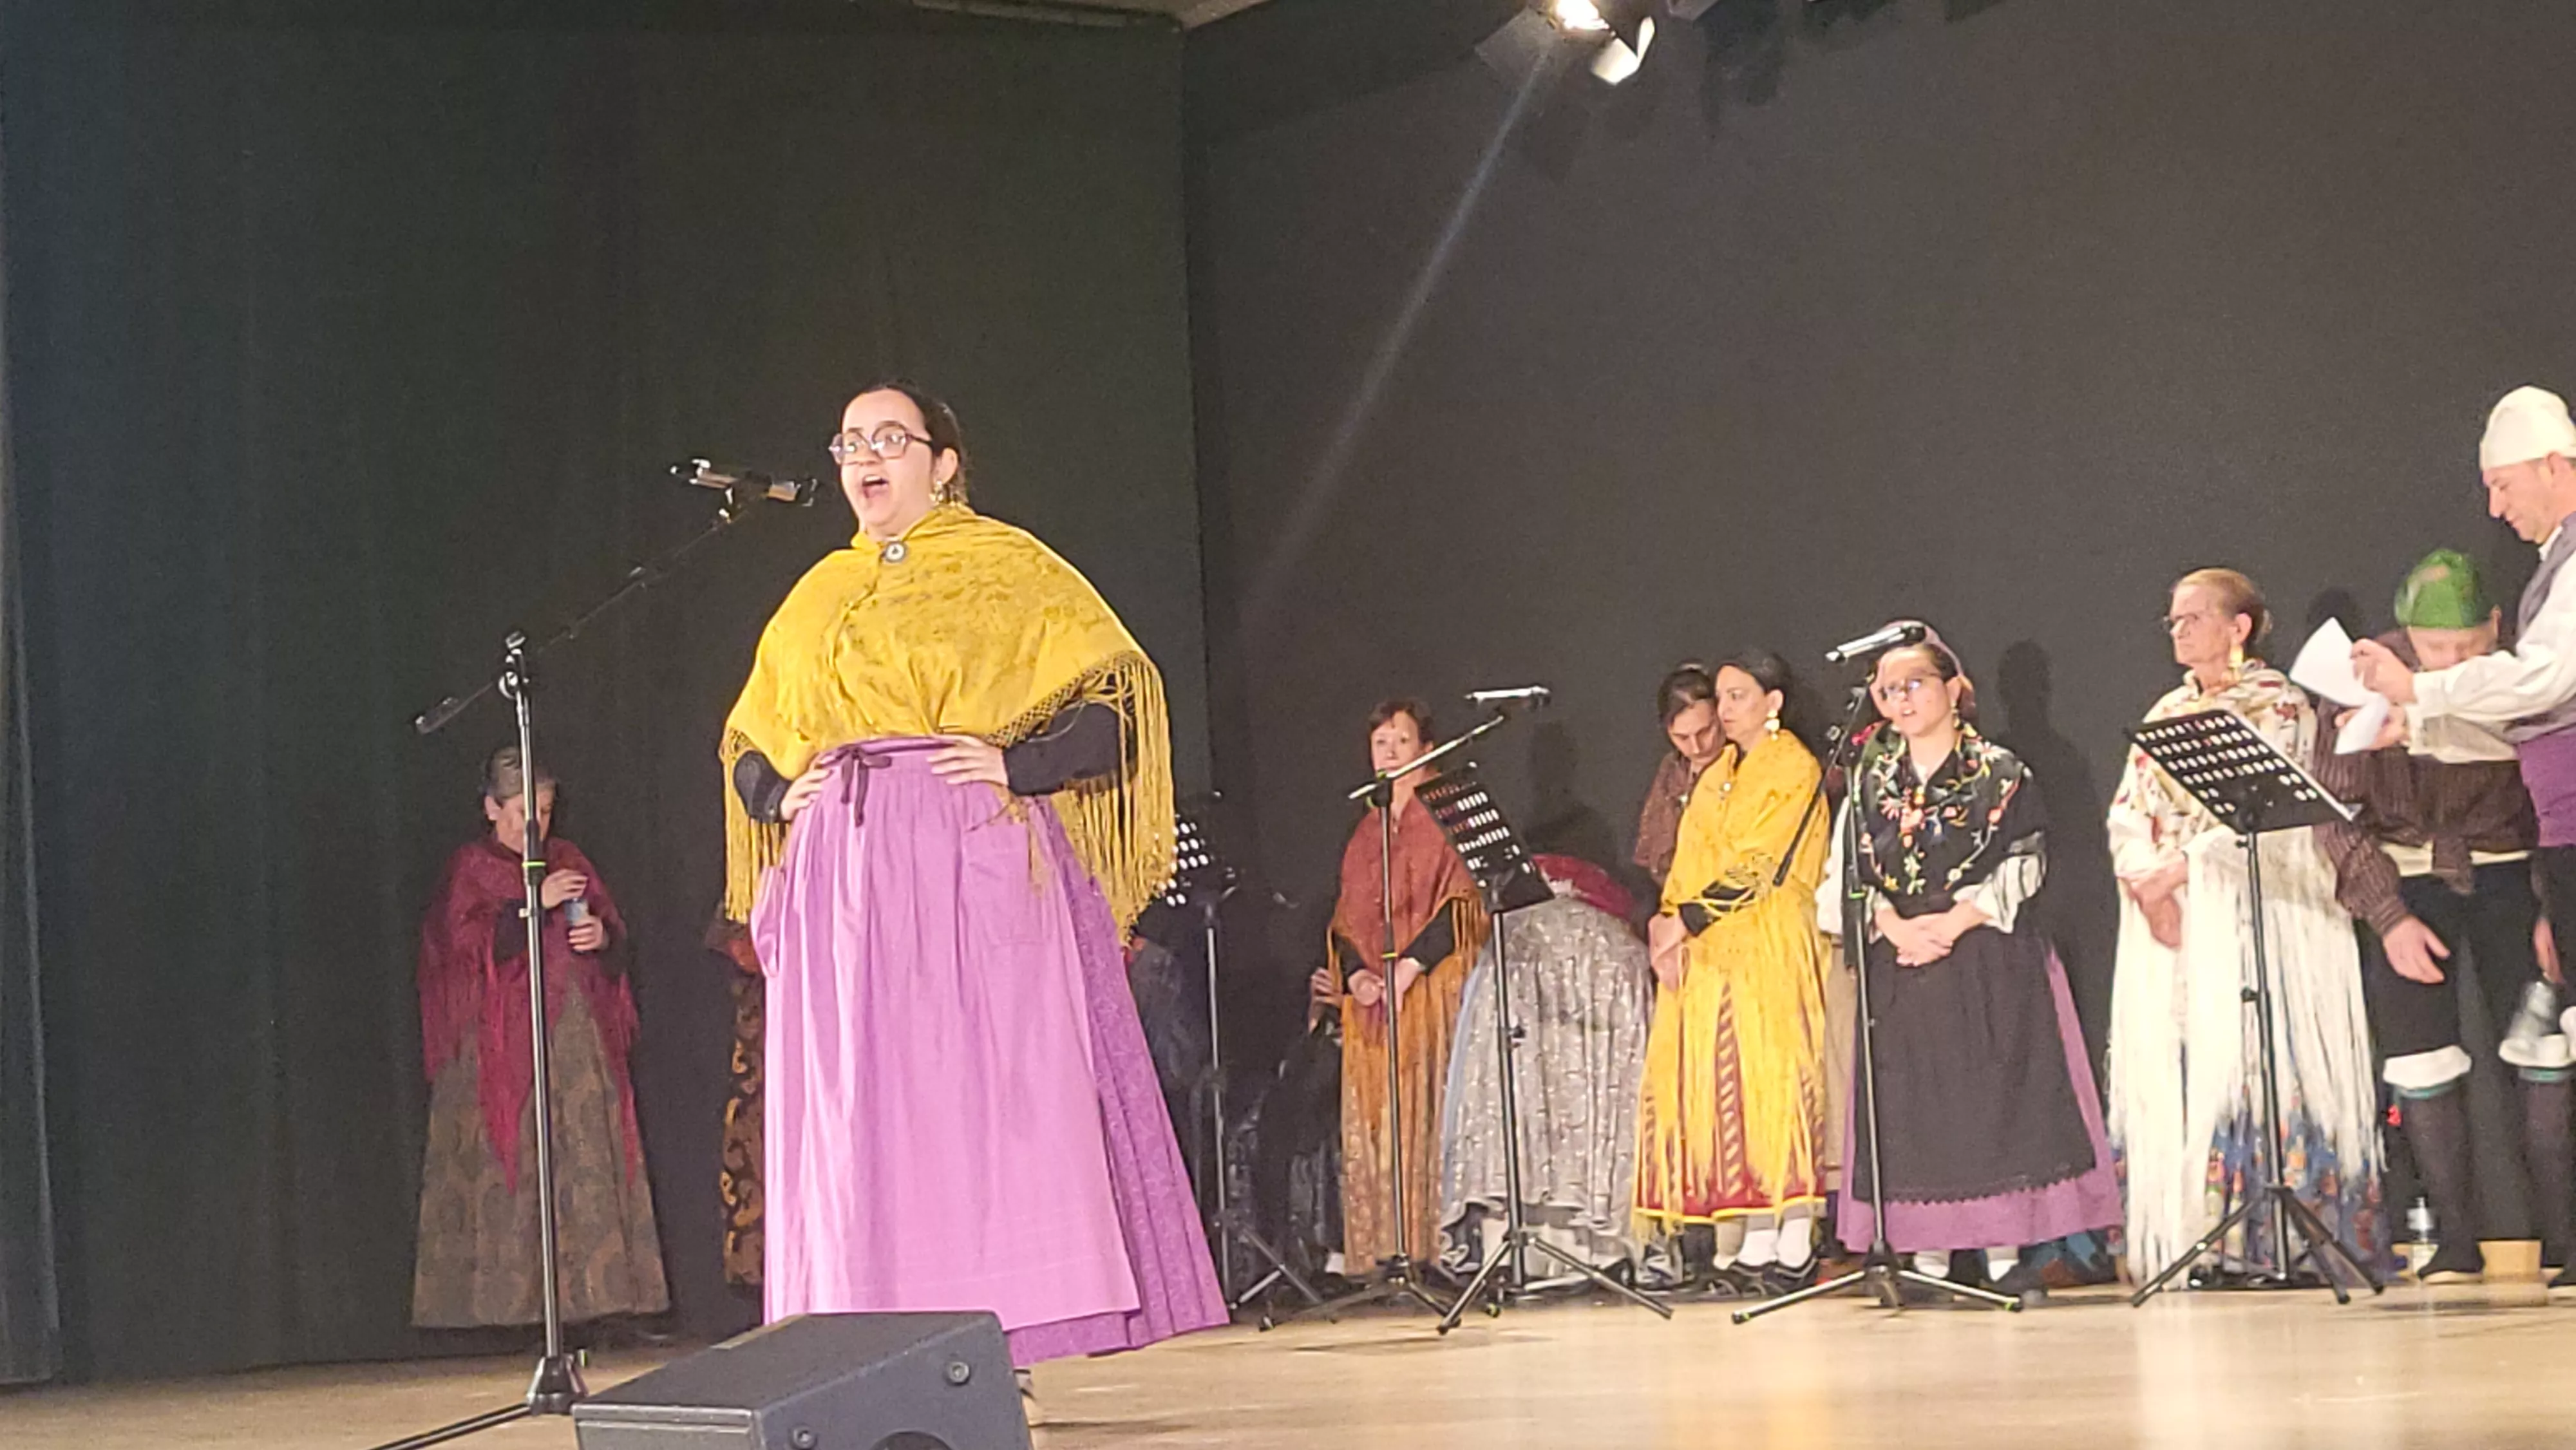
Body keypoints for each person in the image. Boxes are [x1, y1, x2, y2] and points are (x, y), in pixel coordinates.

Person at [723, 382, 1223, 1367]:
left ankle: (997, 1342)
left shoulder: (1006, 568)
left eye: (892, 439)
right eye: (850, 442)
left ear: (944, 463)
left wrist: (1018, 763)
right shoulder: (819, 591)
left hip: (971, 861)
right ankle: (871, 1345)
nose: (866, 457)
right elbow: (748, 734)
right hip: (846, 884)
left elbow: (1120, 701)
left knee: (984, 1104)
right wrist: (776, 795)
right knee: (865, 1119)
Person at [2107, 569, 2380, 1283]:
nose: (2180, 630)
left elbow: (2270, 814)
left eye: (2195, 617)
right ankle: (2208, 1237)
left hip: (2260, 911)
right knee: (2193, 1060)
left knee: (2263, 1063)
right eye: (2171, 620)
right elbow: (2129, 807)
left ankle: (2279, 1240)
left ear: (2240, 627)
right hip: (2177, 918)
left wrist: (2181, 869)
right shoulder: (2167, 708)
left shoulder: (2279, 705)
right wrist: (2145, 877)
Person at [1829, 628, 2119, 1299]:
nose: (1900, 699)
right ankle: (1924, 1259)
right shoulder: (1870, 780)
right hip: (1900, 956)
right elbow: (1846, 873)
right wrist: (1894, 924)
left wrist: (1953, 922)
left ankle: (1999, 1256)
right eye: (1887, 689)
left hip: (1985, 952)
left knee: (1993, 1100)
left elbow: (2026, 859)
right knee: (1912, 1106)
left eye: (1915, 684)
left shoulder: (1999, 770)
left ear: (1952, 689)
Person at [2319, 550, 2571, 1281]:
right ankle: (2454, 1241)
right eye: (2435, 651)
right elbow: (2335, 814)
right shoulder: (2360, 683)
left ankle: (2564, 1237)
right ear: (2403, 639)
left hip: (2509, 878)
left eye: (2469, 648)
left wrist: (2552, 907)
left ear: (2495, 627)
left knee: (2545, 1047)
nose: (2452, 663)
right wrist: (2388, 914)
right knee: (2420, 1058)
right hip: (2408, 881)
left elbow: (2547, 792)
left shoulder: (2526, 675)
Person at [413, 746, 667, 1330]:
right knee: (516, 1161)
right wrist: (531, 903)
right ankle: (507, 1313)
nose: (537, 825)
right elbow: (462, 951)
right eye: (524, 811)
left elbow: (614, 938)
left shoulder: (568, 859)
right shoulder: (472, 867)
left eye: (546, 812)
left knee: (583, 1156)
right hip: (500, 1047)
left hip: (574, 1037)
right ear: (491, 809)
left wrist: (602, 937)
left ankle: (598, 1303)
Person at [1636, 651, 1833, 1295]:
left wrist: (1686, 918)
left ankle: (1795, 1231)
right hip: (1714, 946)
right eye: (1720, 697)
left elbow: (1762, 863)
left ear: (1772, 701)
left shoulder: (1794, 765)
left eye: (1738, 695)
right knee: (1731, 1089)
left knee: (1777, 1079)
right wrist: (1668, 920)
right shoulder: (1720, 770)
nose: (1724, 709)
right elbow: (1689, 855)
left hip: (1769, 935)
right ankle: (1750, 1229)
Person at [1310, 699, 1485, 1271]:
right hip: (1373, 999)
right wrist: (1358, 974)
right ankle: (1388, 1248)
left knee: (1427, 1109)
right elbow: (1345, 919)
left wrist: (1410, 966)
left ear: (1425, 748)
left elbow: (1464, 900)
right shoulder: (1367, 827)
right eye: (1380, 742)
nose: (1388, 753)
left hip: (1430, 985)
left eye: (1401, 742)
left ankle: (1437, 1247)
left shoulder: (1446, 812)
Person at [1437, 853, 1652, 1278]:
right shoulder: (1612, 934)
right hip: (1609, 968)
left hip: (1520, 973)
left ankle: (1515, 1250)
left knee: (1516, 1096)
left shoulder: (1512, 931)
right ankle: (1600, 1251)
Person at [1634, 664, 1723, 888]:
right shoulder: (1672, 769)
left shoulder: (1748, 766)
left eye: (1705, 732)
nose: (1696, 747)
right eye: (1682, 737)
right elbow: (1651, 848)